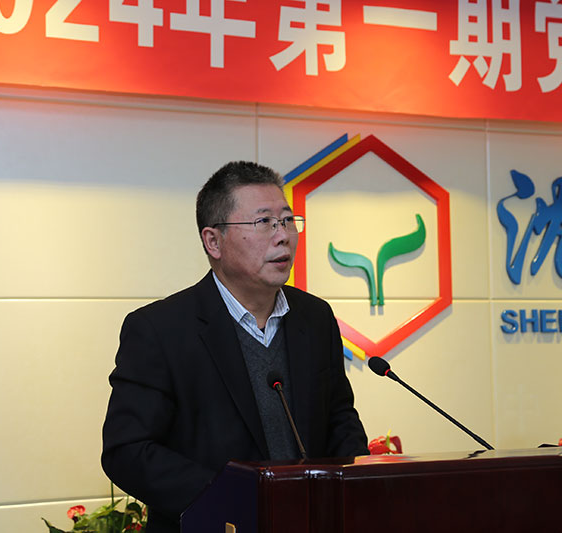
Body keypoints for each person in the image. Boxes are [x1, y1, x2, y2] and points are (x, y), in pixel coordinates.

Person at [101, 161, 368, 532]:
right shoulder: (160, 329)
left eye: (287, 220)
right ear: (213, 241)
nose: (283, 236)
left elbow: (340, 418)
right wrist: (229, 500)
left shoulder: (314, 317)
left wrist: (354, 489)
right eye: (264, 222)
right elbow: (128, 451)